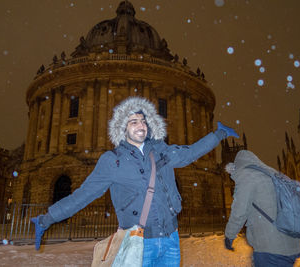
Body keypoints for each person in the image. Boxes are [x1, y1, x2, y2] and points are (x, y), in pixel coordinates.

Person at [31, 96, 239, 266]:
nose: (140, 125)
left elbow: (189, 154)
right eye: (133, 122)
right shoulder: (112, 161)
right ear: (123, 128)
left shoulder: (160, 150)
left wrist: (218, 134)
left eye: (143, 121)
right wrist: (47, 218)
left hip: (170, 239)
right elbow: (82, 196)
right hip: (138, 242)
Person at [223, 150, 300, 267]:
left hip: (270, 246)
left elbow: (239, 212)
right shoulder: (274, 173)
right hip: (292, 243)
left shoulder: (247, 176)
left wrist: (229, 236)